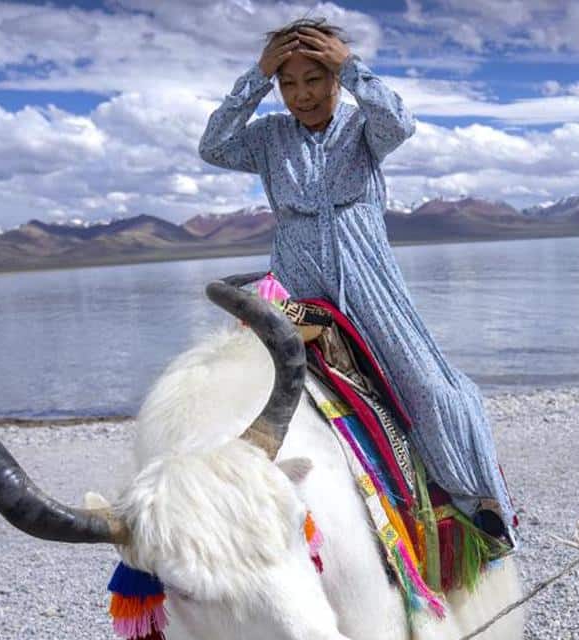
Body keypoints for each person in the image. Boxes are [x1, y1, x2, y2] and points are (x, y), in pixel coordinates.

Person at [199, 18, 516, 548]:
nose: (302, 95)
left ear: (335, 78)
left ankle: (473, 499)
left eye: (315, 78)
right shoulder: (268, 137)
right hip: (298, 282)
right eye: (289, 82)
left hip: (370, 284)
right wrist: (255, 79)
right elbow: (213, 145)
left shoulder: (361, 127)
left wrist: (351, 66)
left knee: (433, 389)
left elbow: (401, 121)